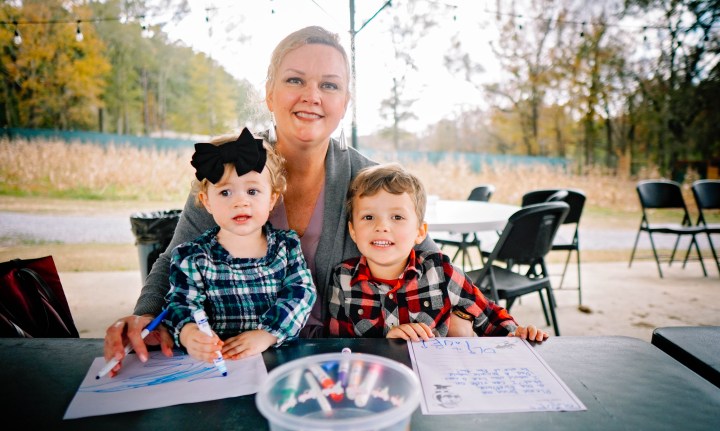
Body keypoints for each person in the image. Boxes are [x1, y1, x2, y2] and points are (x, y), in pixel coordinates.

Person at [102, 25, 436, 376]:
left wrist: (459, 316)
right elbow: (175, 258)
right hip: (236, 359)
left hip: (344, 360)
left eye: (329, 85)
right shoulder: (228, 165)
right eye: (295, 80)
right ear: (269, 94)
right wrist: (146, 314)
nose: (312, 95)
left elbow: (431, 263)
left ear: (344, 104)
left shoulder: (368, 181)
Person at [326, 163, 549, 343]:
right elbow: (340, 346)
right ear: (352, 231)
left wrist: (516, 333)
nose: (382, 226)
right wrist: (386, 343)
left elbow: (489, 316)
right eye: (368, 217)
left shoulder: (441, 272)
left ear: (420, 232)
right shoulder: (343, 279)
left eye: (397, 217)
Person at [162, 127, 316, 364]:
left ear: (272, 199)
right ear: (207, 202)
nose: (240, 201)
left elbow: (301, 294)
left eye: (253, 191)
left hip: (276, 359)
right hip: (217, 364)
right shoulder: (192, 257)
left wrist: (267, 334)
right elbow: (181, 303)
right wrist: (189, 333)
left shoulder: (286, 247)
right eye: (225, 192)